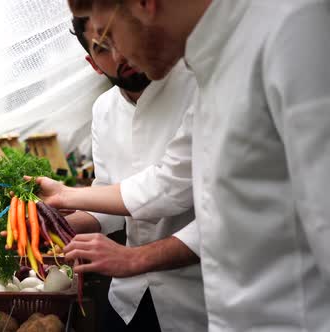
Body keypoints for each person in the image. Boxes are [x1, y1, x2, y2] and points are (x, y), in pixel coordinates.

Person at [57, 0, 330, 330]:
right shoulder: (212, 66)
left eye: (110, 34)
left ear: (143, 5)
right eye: (102, 47)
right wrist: (61, 206)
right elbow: (170, 183)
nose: (119, 55)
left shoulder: (291, 28)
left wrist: (67, 198)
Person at [65, 16, 206, 331]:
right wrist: (59, 223)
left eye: (121, 37)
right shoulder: (103, 110)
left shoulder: (197, 84)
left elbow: (217, 213)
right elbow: (110, 199)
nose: (119, 55)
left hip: (197, 298)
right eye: (102, 48)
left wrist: (134, 258)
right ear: (93, 64)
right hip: (129, 296)